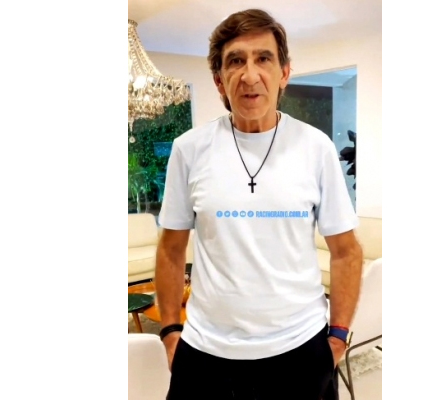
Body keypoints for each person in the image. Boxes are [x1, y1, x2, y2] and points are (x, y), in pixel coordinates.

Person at [155, 8, 364, 399]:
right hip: (205, 352)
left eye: (263, 58)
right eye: (236, 61)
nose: (250, 75)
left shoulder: (316, 147)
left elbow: (346, 252)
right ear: (219, 80)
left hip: (301, 349)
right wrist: (169, 331)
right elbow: (171, 249)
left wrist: (337, 337)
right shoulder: (189, 149)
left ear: (284, 73)